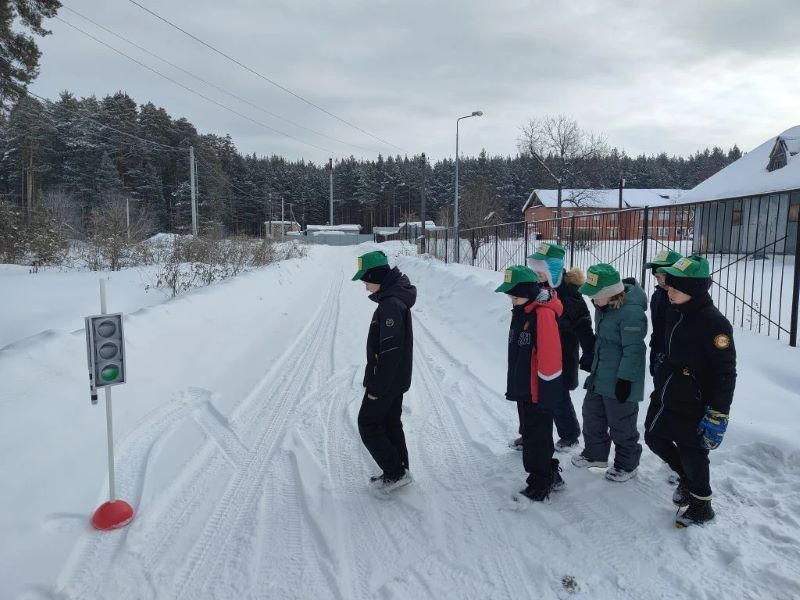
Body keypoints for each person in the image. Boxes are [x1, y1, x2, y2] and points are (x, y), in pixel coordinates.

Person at [644, 256, 736, 527]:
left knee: (692, 452)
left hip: (694, 400)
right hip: (668, 390)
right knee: (653, 436)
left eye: (674, 286)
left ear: (693, 289)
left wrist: (719, 411)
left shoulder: (714, 323)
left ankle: (701, 504)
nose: (667, 289)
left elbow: (726, 372)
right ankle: (686, 479)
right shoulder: (675, 309)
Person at [572, 264, 648, 482]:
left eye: (596, 296)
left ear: (611, 293)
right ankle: (595, 454)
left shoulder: (631, 313)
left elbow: (633, 350)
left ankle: (627, 464)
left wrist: (625, 379)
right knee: (591, 414)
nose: (593, 301)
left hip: (620, 381)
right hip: (600, 375)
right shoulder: (603, 308)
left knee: (621, 424)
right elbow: (604, 341)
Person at [495, 265, 565, 501]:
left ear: (528, 292)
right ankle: (550, 471)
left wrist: (547, 391)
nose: (511, 300)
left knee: (536, 438)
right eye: (510, 296)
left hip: (538, 390)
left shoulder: (542, 315)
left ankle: (540, 482)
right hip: (524, 386)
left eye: (515, 296)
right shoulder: (522, 310)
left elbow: (550, 355)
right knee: (533, 434)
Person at [352, 250, 417, 493]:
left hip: (387, 381)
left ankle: (395, 472)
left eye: (365, 280)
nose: (365, 286)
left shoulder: (390, 305)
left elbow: (390, 352)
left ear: (375, 275)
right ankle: (399, 469)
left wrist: (376, 389)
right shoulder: (392, 299)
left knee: (367, 423)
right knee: (390, 422)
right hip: (395, 379)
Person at [522, 242, 595, 451]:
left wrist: (589, 351)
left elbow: (583, 324)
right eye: (535, 271)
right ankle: (530, 433)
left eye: (541, 271)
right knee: (534, 393)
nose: (537, 275)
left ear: (553, 270)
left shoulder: (569, 294)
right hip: (538, 352)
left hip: (562, 353)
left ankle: (569, 434)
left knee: (558, 395)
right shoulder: (538, 288)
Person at [643, 250, 683, 381]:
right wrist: (655, 354)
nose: (662, 281)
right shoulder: (658, 296)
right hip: (660, 354)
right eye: (657, 277)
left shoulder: (684, 299)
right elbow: (658, 328)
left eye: (666, 275)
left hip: (680, 360)